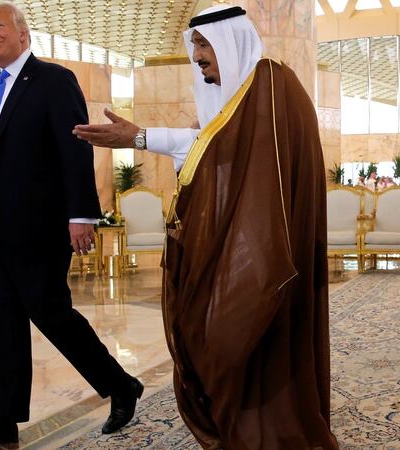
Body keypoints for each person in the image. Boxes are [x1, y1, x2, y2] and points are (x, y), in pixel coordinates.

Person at [74, 5, 337, 449]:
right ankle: (234, 417)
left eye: (203, 43)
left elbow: (229, 153)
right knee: (211, 334)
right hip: (234, 240)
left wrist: (140, 137)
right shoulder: (242, 99)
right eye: (192, 44)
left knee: (241, 333)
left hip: (264, 246)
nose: (196, 55)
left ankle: (268, 424)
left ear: (230, 40)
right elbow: (210, 148)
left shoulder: (271, 84)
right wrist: (140, 137)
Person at [0, 2, 142, 449]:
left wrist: (81, 215)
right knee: (5, 322)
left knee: (50, 312)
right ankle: (2, 419)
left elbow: (74, 149)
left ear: (23, 35)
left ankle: (119, 384)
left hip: (39, 224)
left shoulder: (54, 80)